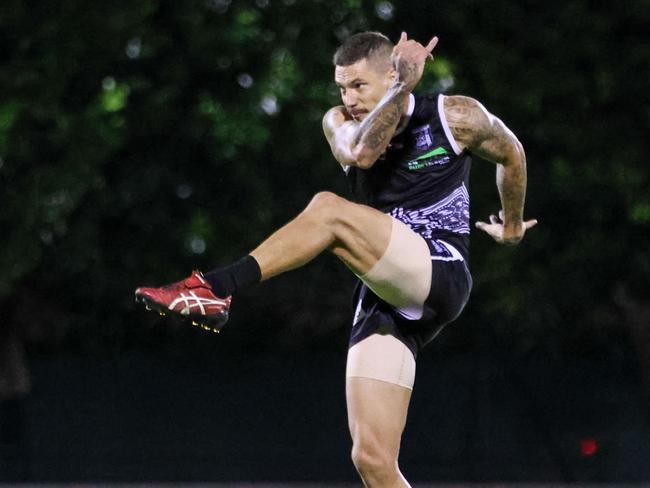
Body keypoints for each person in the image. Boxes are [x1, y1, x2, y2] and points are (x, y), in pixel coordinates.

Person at [135, 31, 537, 488]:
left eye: (359, 86)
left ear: (391, 74)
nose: (348, 98)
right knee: (372, 460)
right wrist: (401, 88)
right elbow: (363, 153)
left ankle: (217, 288)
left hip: (438, 268)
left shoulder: (454, 115)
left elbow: (511, 152)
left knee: (328, 210)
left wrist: (510, 224)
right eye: (342, 87)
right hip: (387, 296)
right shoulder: (339, 122)